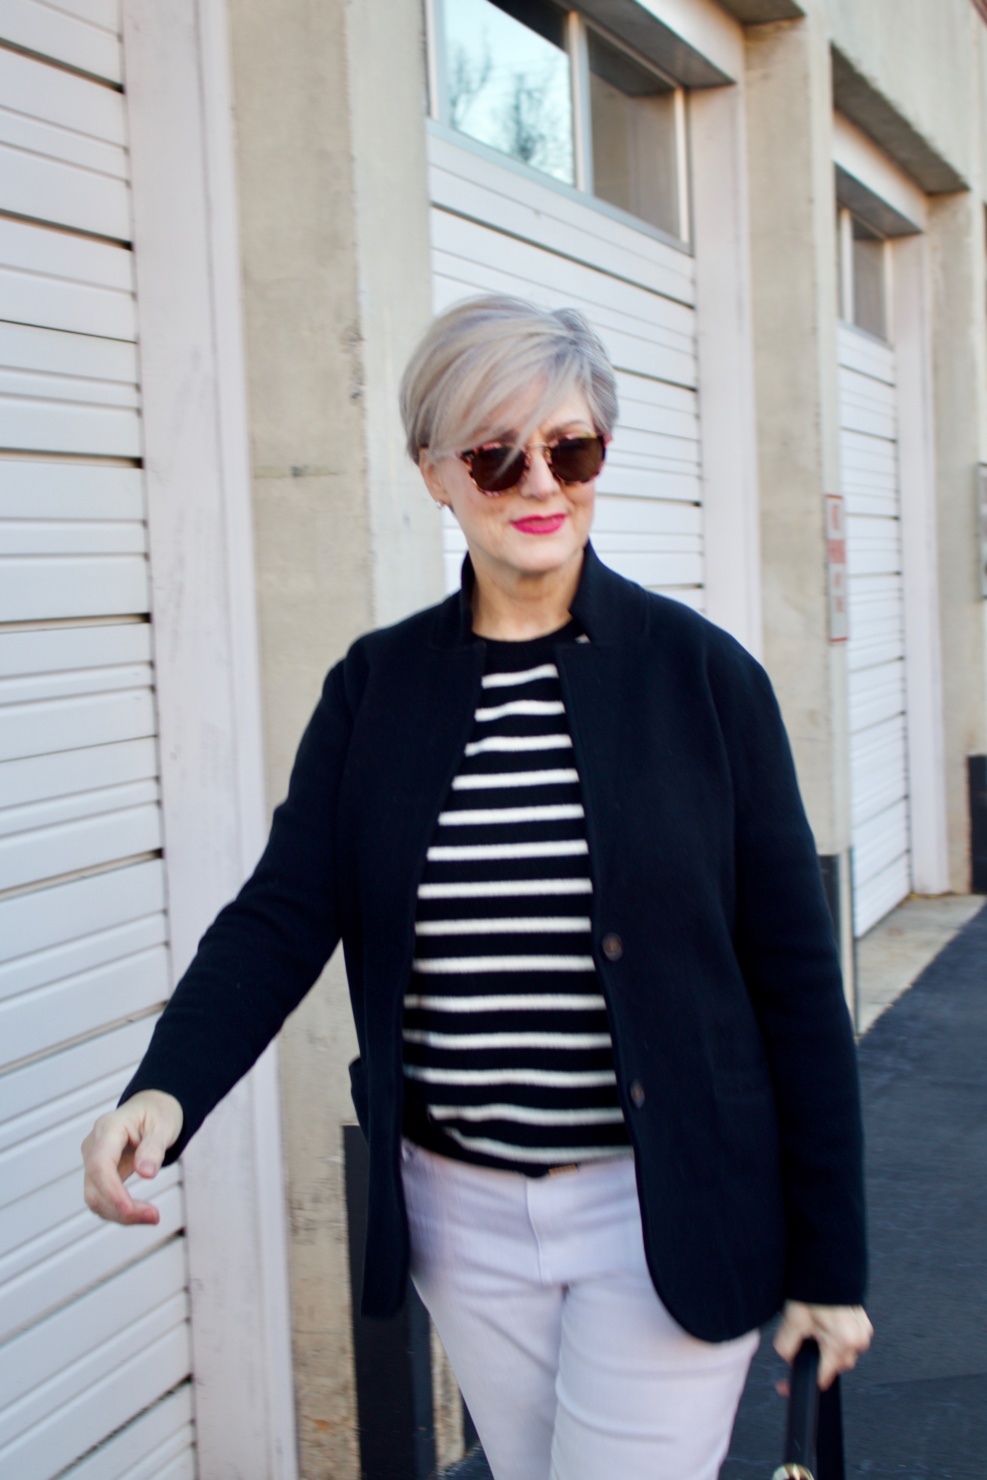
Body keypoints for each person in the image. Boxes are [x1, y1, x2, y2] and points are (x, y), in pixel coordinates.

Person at [82, 294, 872, 1480]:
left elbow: (800, 987)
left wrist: (833, 1266)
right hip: (460, 1217)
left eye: (571, 447)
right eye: (496, 455)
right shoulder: (376, 689)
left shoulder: (706, 683)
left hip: (661, 1208)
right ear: (434, 473)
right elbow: (285, 912)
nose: (539, 482)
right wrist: (165, 1090)